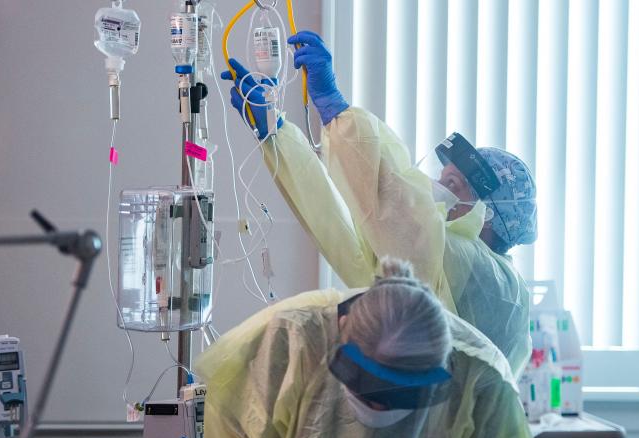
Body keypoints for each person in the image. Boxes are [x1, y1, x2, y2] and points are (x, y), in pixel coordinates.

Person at [221, 30, 537, 377]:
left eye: (451, 184)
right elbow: (339, 233)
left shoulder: (489, 278)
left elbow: (402, 214)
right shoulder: (427, 265)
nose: (431, 190)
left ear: (488, 214)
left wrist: (337, 113)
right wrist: (276, 136)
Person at [195, 257, 535, 438]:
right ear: (342, 328)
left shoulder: (481, 382)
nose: (377, 410)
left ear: (444, 365)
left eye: (400, 397)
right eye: (367, 386)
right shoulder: (290, 344)